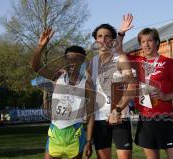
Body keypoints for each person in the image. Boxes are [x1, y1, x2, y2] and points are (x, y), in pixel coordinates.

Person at [31, 27, 94, 159]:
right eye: (69, 59)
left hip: (75, 132)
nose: (72, 62)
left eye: (76, 59)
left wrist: (89, 141)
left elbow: (90, 116)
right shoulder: (57, 76)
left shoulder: (87, 84)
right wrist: (40, 46)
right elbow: (35, 67)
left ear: (82, 61)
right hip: (55, 130)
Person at [132, 27, 173, 159]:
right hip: (145, 120)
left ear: (157, 42)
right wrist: (121, 33)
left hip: (165, 119)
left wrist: (166, 96)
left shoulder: (168, 63)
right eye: (143, 41)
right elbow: (118, 51)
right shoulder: (137, 63)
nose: (146, 44)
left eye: (150, 40)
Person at [90, 13, 135, 159]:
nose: (103, 39)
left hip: (120, 117)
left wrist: (117, 110)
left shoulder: (121, 59)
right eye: (100, 36)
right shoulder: (91, 64)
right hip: (99, 120)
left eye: (107, 36)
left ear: (112, 40)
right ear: (96, 40)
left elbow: (132, 87)